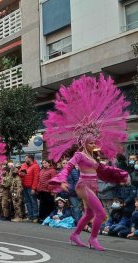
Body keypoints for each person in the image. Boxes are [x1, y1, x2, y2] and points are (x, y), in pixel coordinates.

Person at [45, 74, 130, 251]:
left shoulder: (94, 158)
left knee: (90, 213)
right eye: (91, 142)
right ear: (84, 142)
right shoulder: (80, 155)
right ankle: (93, 239)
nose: (94, 144)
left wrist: (123, 176)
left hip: (93, 186)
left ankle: (75, 235)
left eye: (94, 142)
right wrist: (62, 180)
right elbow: (68, 166)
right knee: (100, 213)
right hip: (83, 186)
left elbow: (106, 170)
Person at [19, 154, 40, 222]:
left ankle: (35, 216)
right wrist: (21, 174)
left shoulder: (35, 166)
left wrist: (33, 188)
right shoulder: (24, 165)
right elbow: (20, 172)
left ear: (30, 159)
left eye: (26, 159)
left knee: (33, 202)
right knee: (27, 202)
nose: (25, 160)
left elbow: (36, 178)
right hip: (24, 186)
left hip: (31, 187)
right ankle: (30, 216)